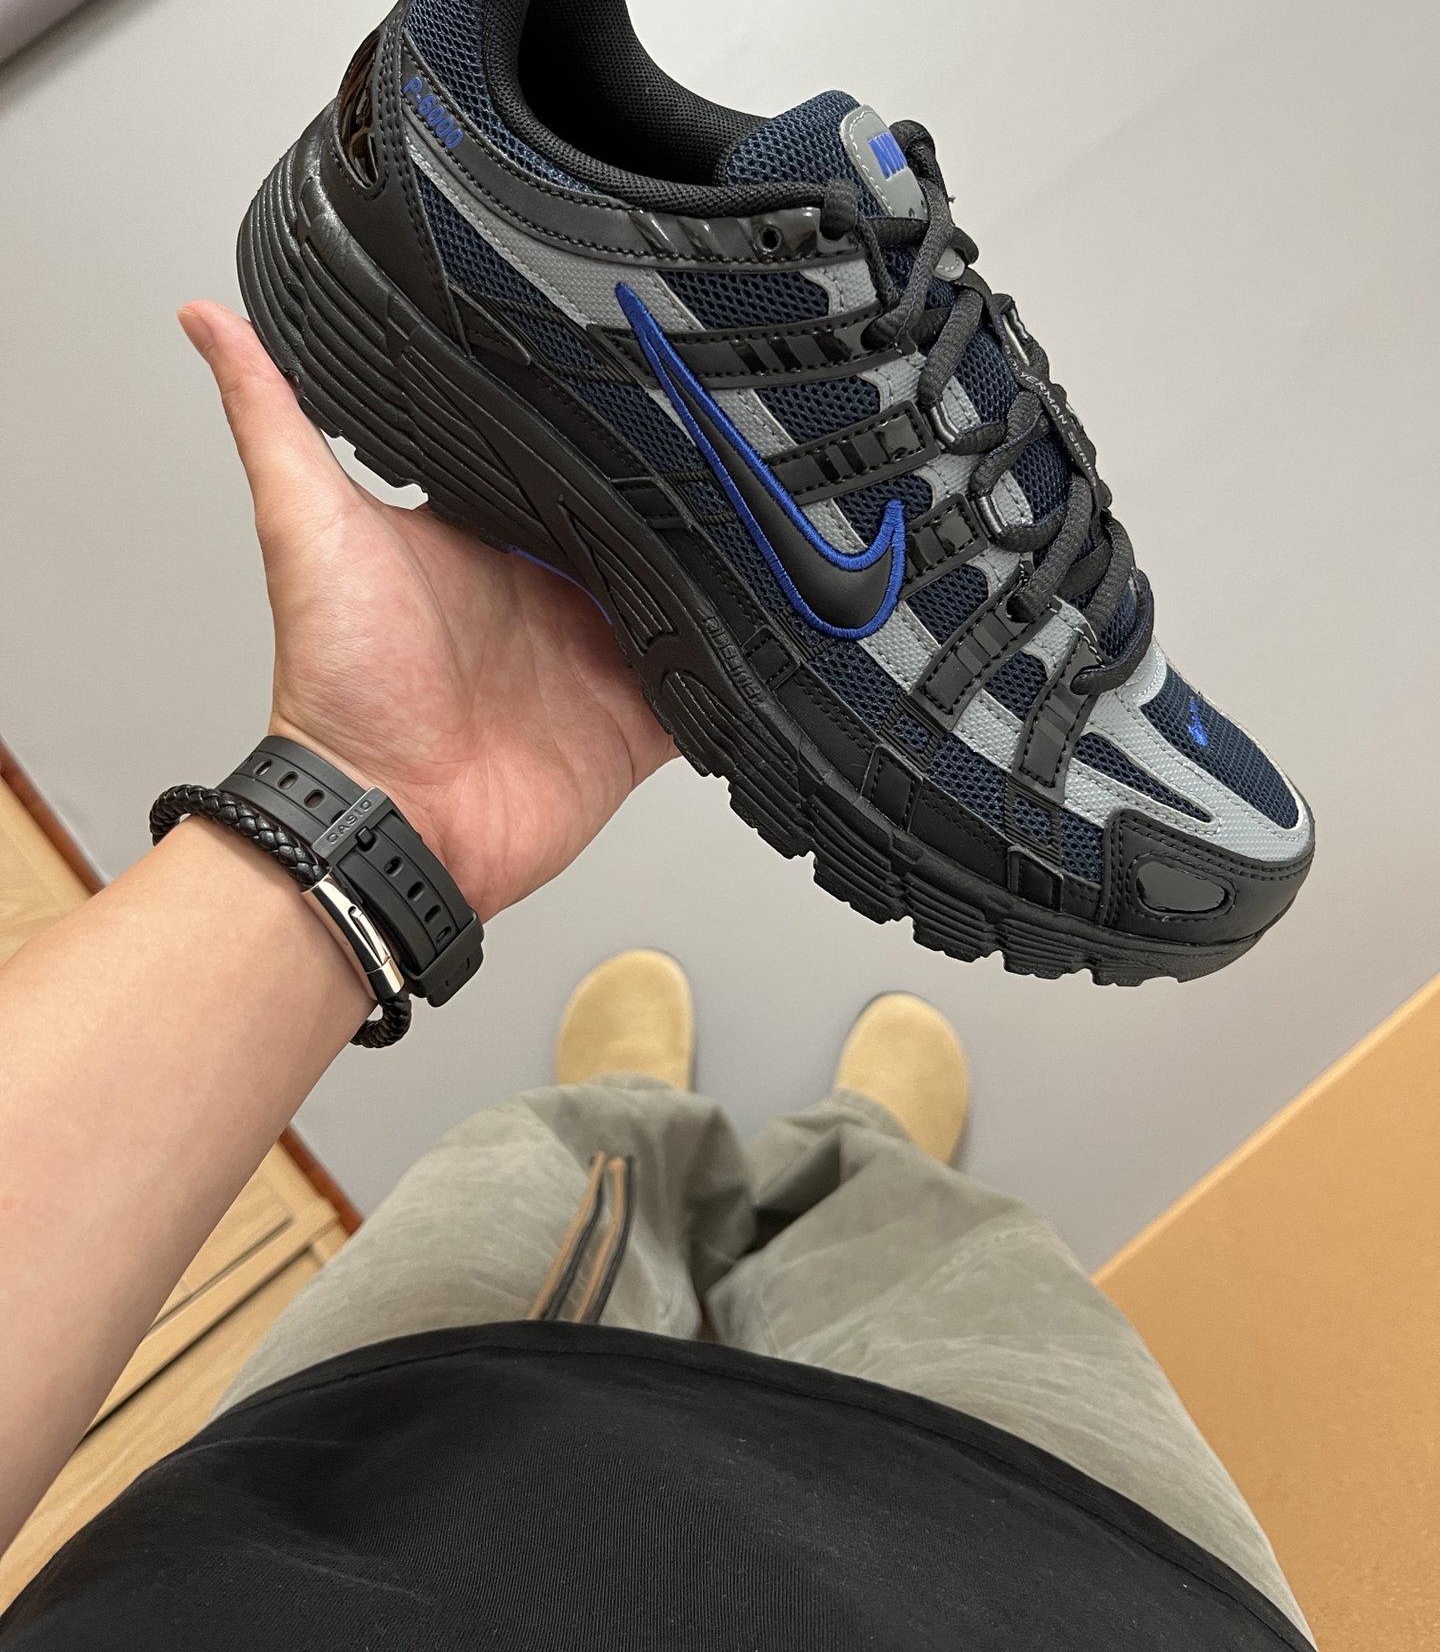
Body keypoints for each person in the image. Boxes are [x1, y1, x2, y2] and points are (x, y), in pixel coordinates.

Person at [0, 304, 1311, 1648]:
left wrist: (368, 800)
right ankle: (863, 1150)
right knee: (946, 1247)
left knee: (555, 1165)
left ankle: (630, 1113)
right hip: (1065, 1566)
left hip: (395, 1498)